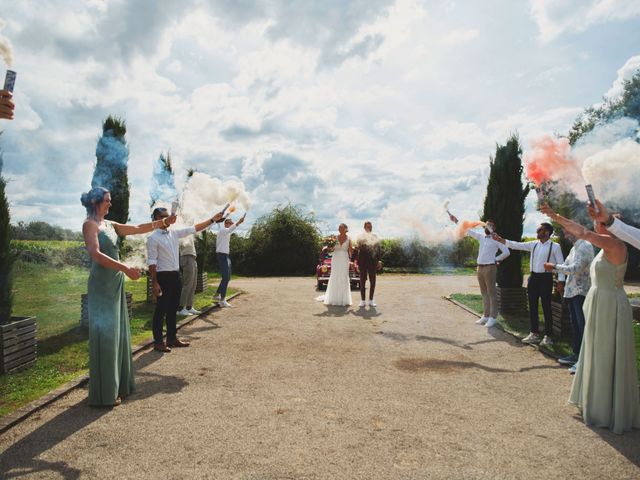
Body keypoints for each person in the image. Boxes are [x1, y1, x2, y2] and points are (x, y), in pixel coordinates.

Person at [542, 204, 640, 434]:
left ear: (605, 225)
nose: (594, 223)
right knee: (597, 352)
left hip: (610, 306)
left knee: (607, 353)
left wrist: (555, 216)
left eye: (598, 221)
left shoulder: (615, 244)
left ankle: (607, 409)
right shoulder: (604, 246)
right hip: (600, 303)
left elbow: (583, 233)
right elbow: (584, 233)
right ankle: (597, 402)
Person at [81, 186, 172, 406]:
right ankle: (105, 394)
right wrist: (125, 268)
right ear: (95, 202)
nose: (110, 204)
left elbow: (137, 228)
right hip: (102, 286)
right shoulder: (89, 225)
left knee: (119, 333)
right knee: (107, 335)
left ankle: (119, 385)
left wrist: (162, 223)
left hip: (115, 284)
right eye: (107, 200)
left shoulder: (111, 225)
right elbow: (95, 254)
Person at [147, 207, 225, 352]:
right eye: (162, 216)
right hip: (162, 276)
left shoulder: (174, 233)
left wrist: (213, 220)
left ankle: (171, 338)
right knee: (161, 310)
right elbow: (152, 261)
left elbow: (194, 229)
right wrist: (155, 282)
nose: (166, 218)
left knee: (172, 309)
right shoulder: (153, 238)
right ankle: (158, 342)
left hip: (176, 276)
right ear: (155, 219)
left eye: (167, 215)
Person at [493, 223, 565, 346]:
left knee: (546, 307)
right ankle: (534, 333)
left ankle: (548, 336)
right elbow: (516, 245)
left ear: (547, 232)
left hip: (546, 278)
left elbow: (561, 264)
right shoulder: (534, 244)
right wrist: (501, 240)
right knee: (533, 306)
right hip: (533, 278)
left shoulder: (555, 246)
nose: (537, 231)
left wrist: (561, 281)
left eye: (540, 229)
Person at [542, 228, 594, 373]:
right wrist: (560, 277)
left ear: (576, 230)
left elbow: (576, 268)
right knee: (576, 326)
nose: (565, 235)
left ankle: (583, 361)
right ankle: (576, 355)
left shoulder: (585, 246)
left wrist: (554, 267)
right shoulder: (574, 248)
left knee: (582, 326)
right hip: (572, 292)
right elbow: (566, 266)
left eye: (567, 231)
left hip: (581, 292)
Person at [449, 216, 510, 327]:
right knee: (484, 293)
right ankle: (486, 316)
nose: (488, 226)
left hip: (490, 267)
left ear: (494, 228)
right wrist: (456, 221)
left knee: (492, 293)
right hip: (480, 268)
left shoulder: (497, 239)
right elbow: (467, 230)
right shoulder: (481, 237)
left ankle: (493, 317)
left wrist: (496, 259)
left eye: (491, 225)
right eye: (487, 224)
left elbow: (506, 252)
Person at [213, 213, 246, 308]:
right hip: (222, 256)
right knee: (226, 278)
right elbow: (231, 228)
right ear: (226, 224)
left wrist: (237, 223)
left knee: (227, 277)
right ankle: (222, 300)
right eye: (230, 223)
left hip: (225, 256)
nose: (231, 224)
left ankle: (217, 295)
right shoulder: (223, 230)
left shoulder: (227, 232)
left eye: (231, 223)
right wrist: (239, 222)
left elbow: (231, 229)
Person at [318, 223, 353, 306]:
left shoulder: (349, 239)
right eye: (339, 228)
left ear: (345, 229)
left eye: (341, 228)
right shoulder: (334, 238)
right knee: (335, 276)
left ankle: (344, 299)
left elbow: (351, 251)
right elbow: (331, 249)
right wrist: (329, 247)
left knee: (343, 276)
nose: (339, 229)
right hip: (336, 258)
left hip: (344, 258)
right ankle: (333, 298)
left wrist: (351, 261)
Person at [353, 221, 382, 308]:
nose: (369, 228)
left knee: (373, 282)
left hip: (372, 262)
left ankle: (371, 300)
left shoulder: (375, 237)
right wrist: (353, 261)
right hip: (362, 262)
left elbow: (378, 249)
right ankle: (362, 300)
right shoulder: (360, 237)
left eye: (370, 226)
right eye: (367, 226)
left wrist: (379, 260)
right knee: (362, 282)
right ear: (364, 227)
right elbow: (356, 249)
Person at [177, 235, 200, 316]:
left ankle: (189, 307)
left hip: (193, 258)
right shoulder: (182, 229)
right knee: (188, 284)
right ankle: (180, 308)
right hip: (187, 257)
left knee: (193, 285)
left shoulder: (190, 230)